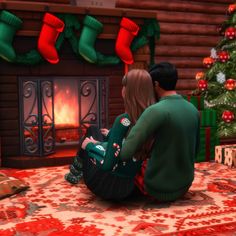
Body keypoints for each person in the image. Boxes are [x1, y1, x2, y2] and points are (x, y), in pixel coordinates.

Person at [65, 69, 156, 200]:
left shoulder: (124, 120)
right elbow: (128, 144)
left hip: (106, 186)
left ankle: (75, 171)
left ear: (129, 91)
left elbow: (108, 164)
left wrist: (91, 146)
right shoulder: (153, 118)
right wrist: (112, 135)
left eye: (125, 86)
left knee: (90, 135)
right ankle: (76, 169)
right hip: (129, 187)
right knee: (95, 131)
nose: (122, 89)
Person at [119, 62, 200, 202]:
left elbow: (126, 152)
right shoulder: (193, 110)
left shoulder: (155, 111)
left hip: (156, 187)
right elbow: (196, 150)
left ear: (156, 84)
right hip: (184, 185)